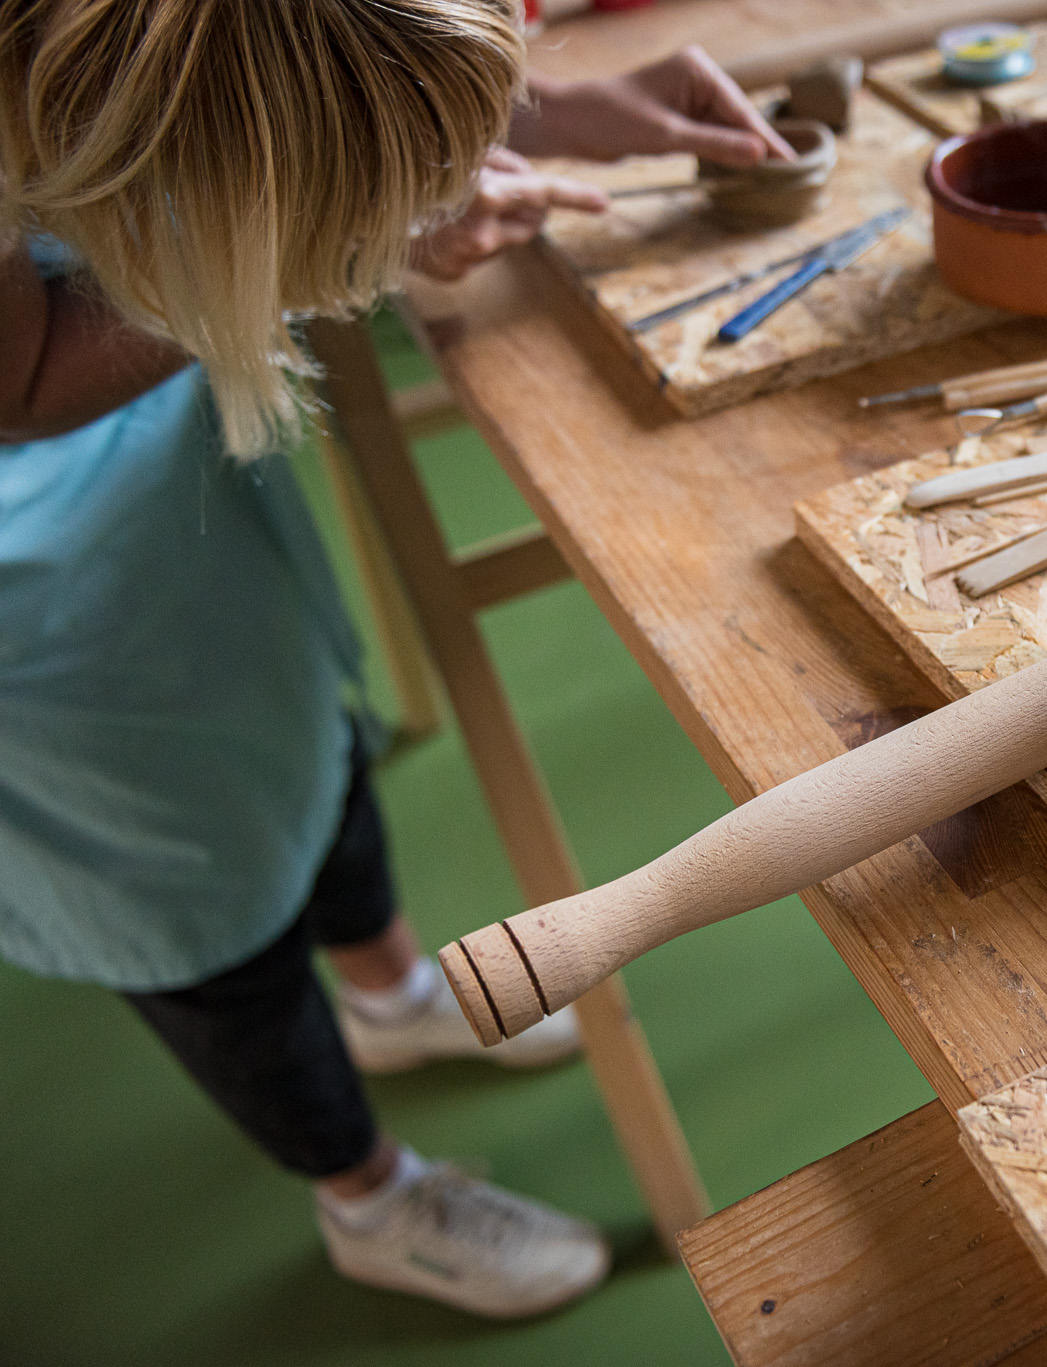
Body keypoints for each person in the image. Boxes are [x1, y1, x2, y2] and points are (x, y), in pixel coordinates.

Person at [0, 0, 790, 1319]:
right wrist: (339, 240)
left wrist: (491, 113)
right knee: (205, 930)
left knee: (308, 742)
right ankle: (366, 1195)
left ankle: (394, 997)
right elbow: (20, 380)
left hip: (143, 492)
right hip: (38, 584)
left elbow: (278, 66)